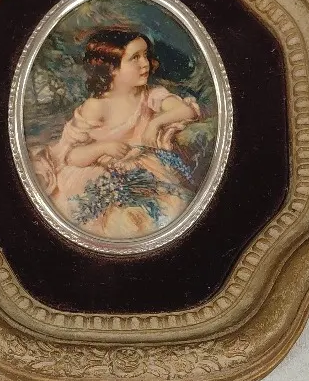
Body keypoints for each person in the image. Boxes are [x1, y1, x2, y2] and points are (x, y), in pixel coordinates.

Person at [29, 28, 201, 239]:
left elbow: (186, 110)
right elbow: (71, 156)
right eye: (135, 58)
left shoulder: (149, 95)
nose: (145, 63)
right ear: (111, 68)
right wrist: (103, 148)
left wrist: (155, 123)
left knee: (172, 206)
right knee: (114, 221)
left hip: (143, 170)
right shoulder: (96, 106)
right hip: (97, 175)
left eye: (145, 55)